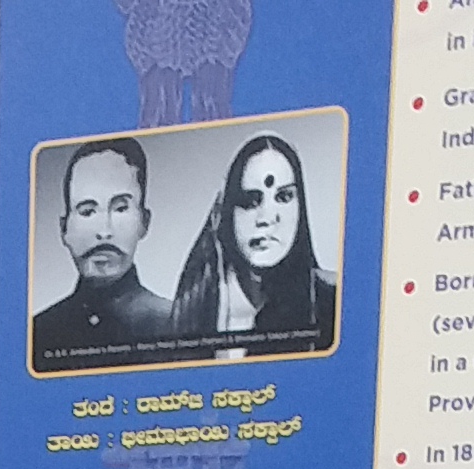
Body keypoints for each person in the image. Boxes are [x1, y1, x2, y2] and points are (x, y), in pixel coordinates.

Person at [167, 132, 334, 354]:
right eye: (250, 201)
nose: (266, 218)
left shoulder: (334, 303)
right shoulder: (194, 312)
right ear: (227, 214)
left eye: (284, 197)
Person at [29, 140, 171, 371]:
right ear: (64, 229)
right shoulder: (37, 333)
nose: (104, 232)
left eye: (120, 208)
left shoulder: (178, 323)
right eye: (87, 211)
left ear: (144, 221)